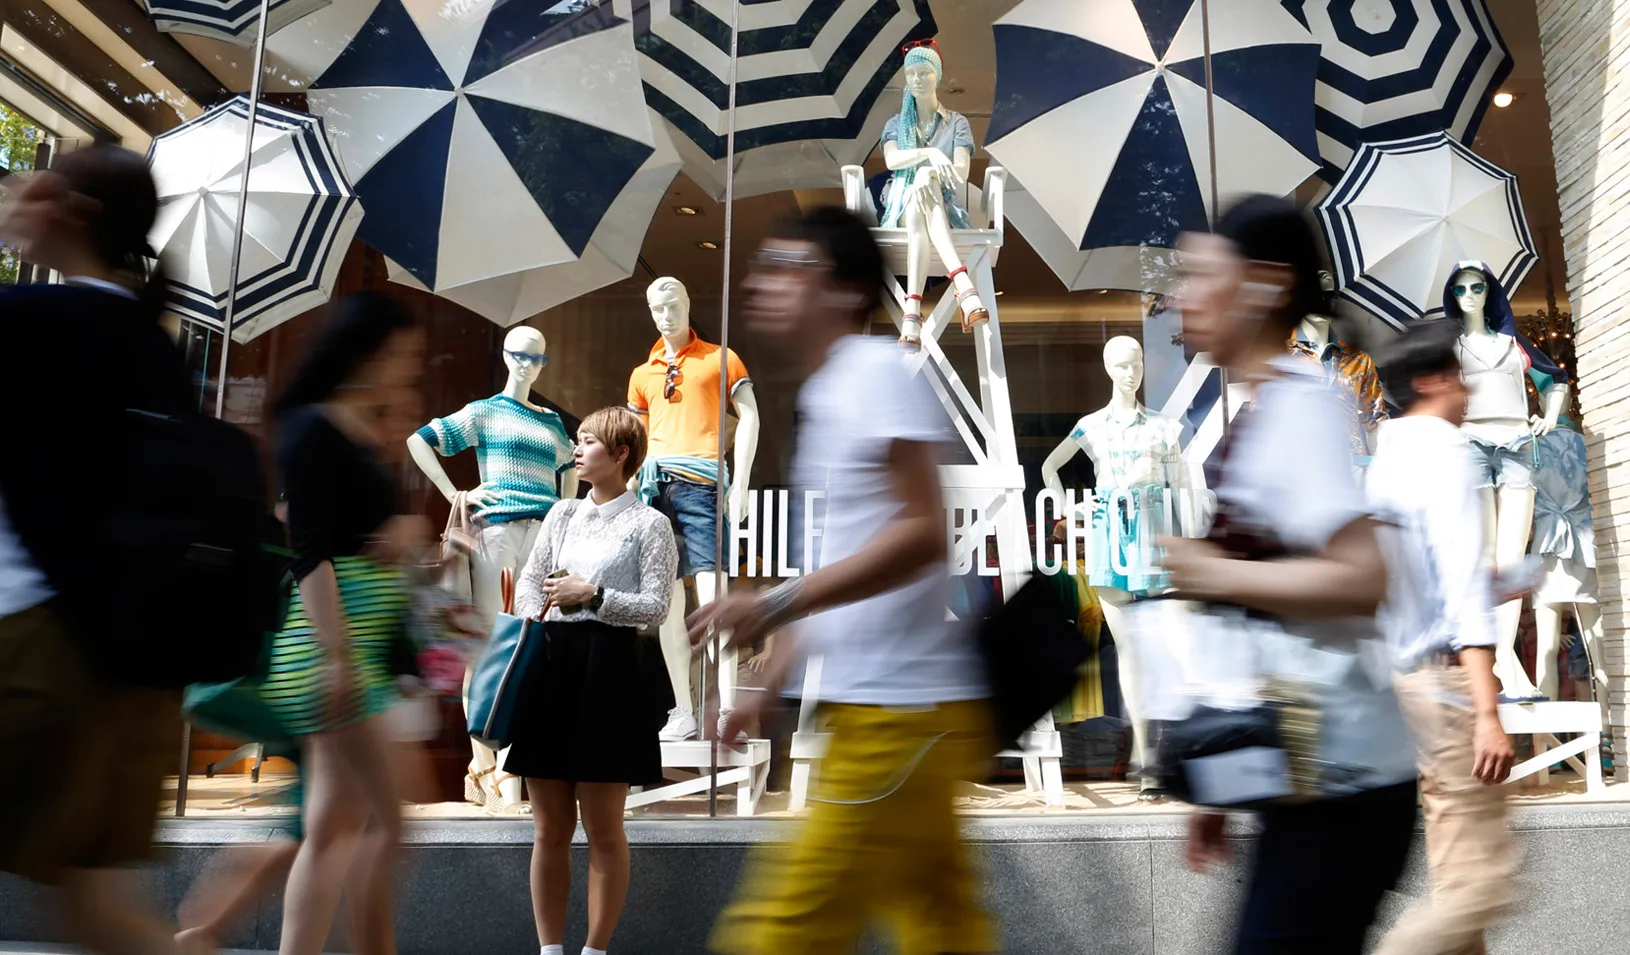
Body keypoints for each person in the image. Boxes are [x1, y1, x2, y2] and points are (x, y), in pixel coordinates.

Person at [688, 206, 997, 955]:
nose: (761, 283)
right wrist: (767, 684)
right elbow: (838, 560)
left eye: (784, 268)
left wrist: (770, 602)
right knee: (943, 930)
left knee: (779, 936)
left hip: (896, 719)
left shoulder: (875, 373)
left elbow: (922, 533)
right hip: (904, 713)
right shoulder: (832, 390)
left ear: (842, 289)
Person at [1162, 195, 1419, 955]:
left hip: (1346, 788)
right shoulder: (1275, 405)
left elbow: (1363, 578)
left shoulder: (1300, 409)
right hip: (1311, 779)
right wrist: (1223, 781)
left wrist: (1213, 572)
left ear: (1266, 285)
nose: (1182, 295)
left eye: (1200, 274)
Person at [0, 145, 188, 955]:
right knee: (96, 908)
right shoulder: (156, 347)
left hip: (30, 641)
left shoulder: (29, 320)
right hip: (132, 668)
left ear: (71, 211)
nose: (15, 186)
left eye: (34, 179)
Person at [265, 293, 427, 955]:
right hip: (332, 643)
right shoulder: (313, 429)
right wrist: (338, 655)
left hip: (349, 645)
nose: (409, 370)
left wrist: (402, 529)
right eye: (402, 356)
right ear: (369, 354)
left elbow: (350, 536)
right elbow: (310, 550)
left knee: (339, 827)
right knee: (384, 822)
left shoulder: (356, 431)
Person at [1367, 320, 1517, 955]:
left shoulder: (1387, 456)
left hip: (1405, 685)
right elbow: (1459, 595)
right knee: (1480, 884)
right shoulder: (1446, 453)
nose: (1468, 390)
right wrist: (1487, 711)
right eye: (1460, 375)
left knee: (1459, 873)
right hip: (1450, 685)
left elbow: (1410, 578)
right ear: (1432, 380)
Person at [507, 406, 678, 955]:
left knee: (604, 828)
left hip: (610, 673)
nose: (577, 450)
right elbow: (530, 581)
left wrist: (594, 596)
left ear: (621, 454)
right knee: (547, 829)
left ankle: (595, 950)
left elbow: (657, 606)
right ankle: (550, 950)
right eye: (577, 441)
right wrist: (544, 609)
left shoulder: (651, 524)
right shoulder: (560, 514)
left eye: (587, 442)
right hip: (553, 665)